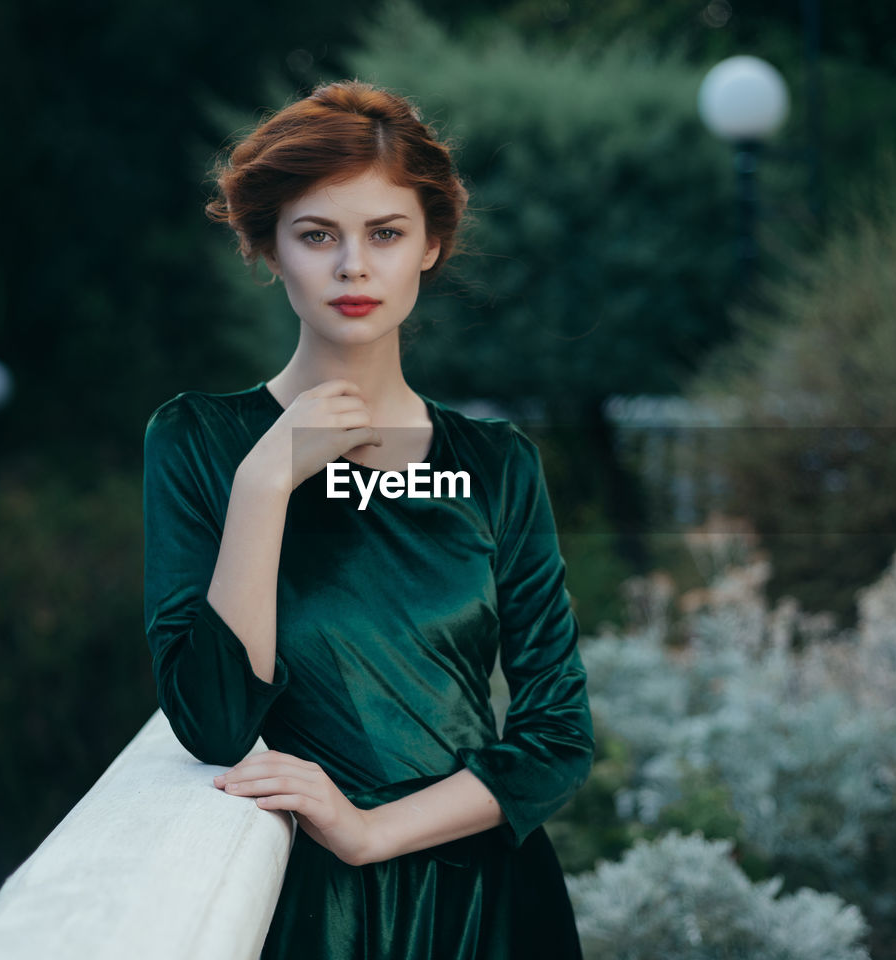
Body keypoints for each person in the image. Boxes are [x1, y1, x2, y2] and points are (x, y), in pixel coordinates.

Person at [141, 79, 594, 959]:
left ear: (431, 245)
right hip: (316, 915)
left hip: (489, 910)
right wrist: (267, 477)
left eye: (385, 234)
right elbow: (212, 721)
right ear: (270, 249)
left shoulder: (497, 466)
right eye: (318, 235)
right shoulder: (198, 442)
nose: (354, 266)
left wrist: (371, 830)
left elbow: (557, 734)